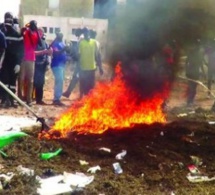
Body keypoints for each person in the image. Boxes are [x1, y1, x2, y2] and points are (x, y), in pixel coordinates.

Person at [0, 16, 24, 108]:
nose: (7, 27)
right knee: (4, 81)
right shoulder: (2, 33)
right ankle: (4, 99)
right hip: (4, 62)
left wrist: (18, 63)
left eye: (9, 25)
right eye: (6, 25)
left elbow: (21, 51)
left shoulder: (18, 35)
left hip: (14, 62)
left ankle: (11, 99)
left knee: (12, 82)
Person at [18, 20, 43, 106]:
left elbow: (40, 43)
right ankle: (19, 98)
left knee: (30, 80)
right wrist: (25, 29)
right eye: (33, 25)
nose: (33, 26)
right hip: (24, 58)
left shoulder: (36, 34)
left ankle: (29, 99)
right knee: (21, 79)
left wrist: (36, 31)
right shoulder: (26, 31)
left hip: (32, 58)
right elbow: (22, 35)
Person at [78, 27, 103, 98]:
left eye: (87, 32)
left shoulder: (94, 42)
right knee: (82, 83)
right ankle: (81, 97)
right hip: (83, 68)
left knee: (91, 85)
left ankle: (89, 99)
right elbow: (78, 55)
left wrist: (100, 67)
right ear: (84, 34)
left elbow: (98, 55)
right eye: (85, 33)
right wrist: (78, 67)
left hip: (92, 68)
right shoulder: (81, 43)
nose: (86, 34)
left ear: (89, 33)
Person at [62, 28, 83, 98]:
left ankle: (80, 95)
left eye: (76, 32)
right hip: (80, 63)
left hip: (82, 63)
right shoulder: (81, 38)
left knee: (79, 78)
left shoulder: (81, 38)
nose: (75, 34)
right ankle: (69, 93)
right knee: (76, 78)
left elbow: (78, 51)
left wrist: (73, 56)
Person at [33, 28, 50, 105]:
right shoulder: (33, 42)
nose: (40, 34)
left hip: (42, 65)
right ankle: (30, 98)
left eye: (41, 33)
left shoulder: (45, 43)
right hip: (35, 64)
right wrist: (43, 52)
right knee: (34, 83)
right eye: (38, 33)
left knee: (41, 83)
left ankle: (39, 99)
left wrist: (48, 63)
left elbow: (48, 54)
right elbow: (32, 53)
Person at [50, 32, 67, 106]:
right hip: (56, 64)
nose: (61, 36)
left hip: (62, 65)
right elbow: (56, 53)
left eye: (62, 35)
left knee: (61, 81)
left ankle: (58, 98)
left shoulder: (62, 43)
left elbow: (64, 53)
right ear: (57, 36)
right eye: (60, 35)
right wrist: (64, 49)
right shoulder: (55, 44)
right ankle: (56, 99)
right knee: (59, 80)